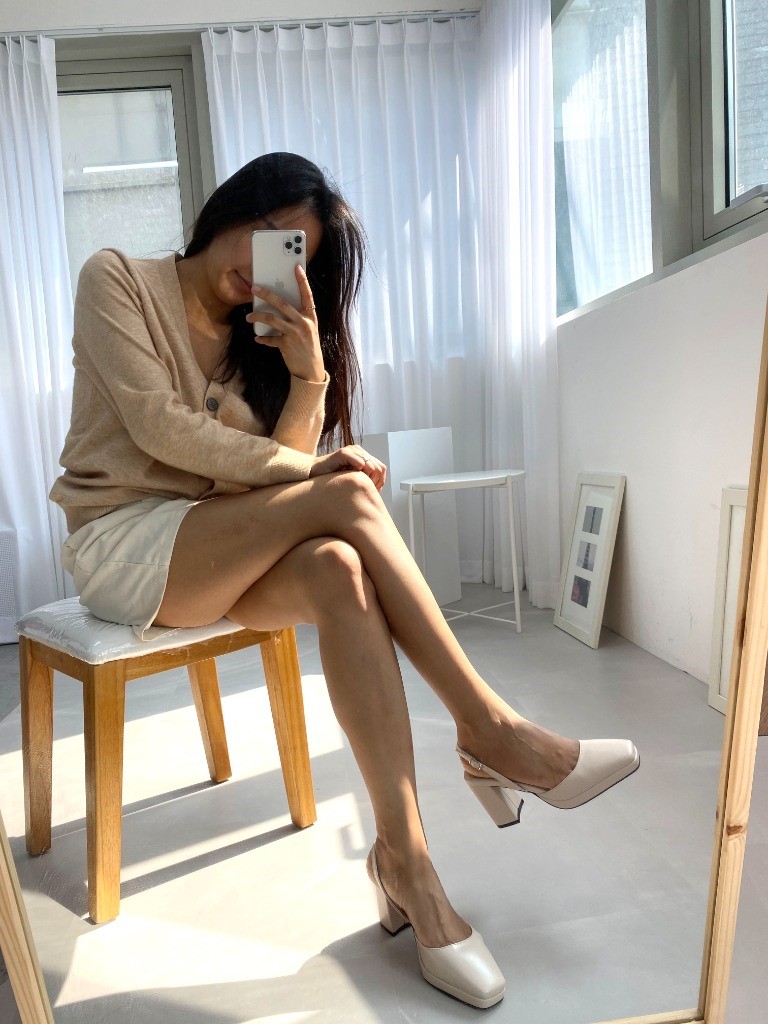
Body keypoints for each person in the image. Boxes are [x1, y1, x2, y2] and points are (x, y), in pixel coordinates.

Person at [50, 151, 639, 1010]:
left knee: (337, 566)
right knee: (349, 496)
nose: (265, 260)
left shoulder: (258, 340)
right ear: (232, 209)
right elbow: (160, 429)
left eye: (292, 252)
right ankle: (493, 732)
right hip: (125, 545)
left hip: (222, 542)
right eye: (268, 232)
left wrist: (308, 371)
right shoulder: (117, 281)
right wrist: (314, 475)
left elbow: (274, 475)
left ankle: (408, 866)